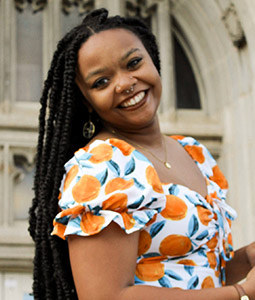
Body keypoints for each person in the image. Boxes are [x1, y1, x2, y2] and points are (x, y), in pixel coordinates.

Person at [29, 8, 255, 300]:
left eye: (134, 62)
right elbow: (107, 297)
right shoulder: (104, 166)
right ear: (86, 101)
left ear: (154, 60)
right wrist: (240, 294)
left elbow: (199, 271)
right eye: (101, 82)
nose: (124, 83)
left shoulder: (193, 152)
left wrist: (247, 259)